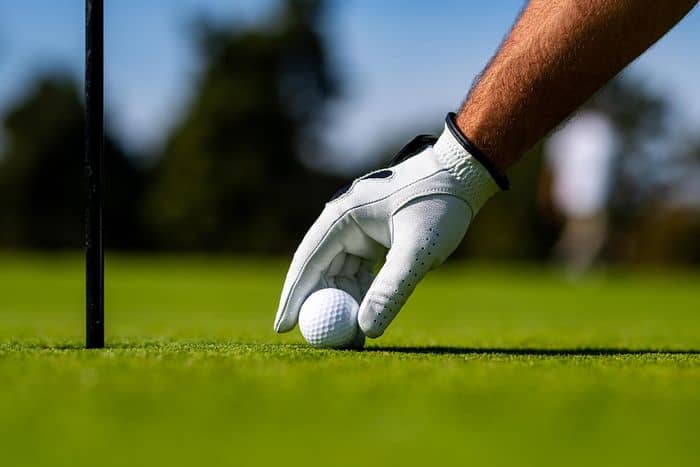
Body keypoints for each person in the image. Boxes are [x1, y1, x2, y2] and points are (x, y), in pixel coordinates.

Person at [274, 0, 698, 339]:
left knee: (590, 239)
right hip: (578, 200)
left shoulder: (606, 132)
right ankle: (575, 276)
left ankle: (578, 277)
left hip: (593, 201)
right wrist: (457, 167)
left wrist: (455, 167)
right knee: (585, 240)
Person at [543, 110, 618, 274]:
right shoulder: (571, 131)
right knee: (585, 233)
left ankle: (573, 266)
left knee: (585, 232)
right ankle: (571, 266)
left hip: (589, 191)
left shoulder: (597, 128)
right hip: (576, 191)